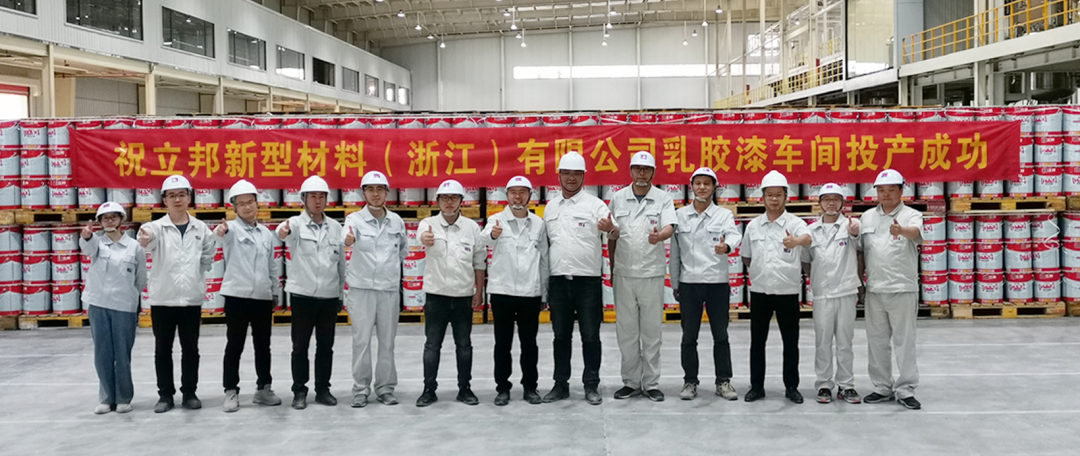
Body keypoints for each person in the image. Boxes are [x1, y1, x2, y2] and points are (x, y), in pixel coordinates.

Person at [542, 151, 620, 406]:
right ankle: (560, 384)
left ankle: (591, 384)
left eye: (576, 174)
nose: (571, 178)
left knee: (590, 336)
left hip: (587, 282)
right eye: (566, 173)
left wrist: (610, 229)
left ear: (584, 176)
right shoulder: (551, 207)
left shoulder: (595, 205)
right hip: (558, 281)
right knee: (560, 336)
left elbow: (615, 230)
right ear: (559, 176)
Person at [138, 175, 216, 413]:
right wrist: (145, 238)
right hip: (163, 299)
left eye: (182, 194)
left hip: (191, 299)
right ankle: (165, 395)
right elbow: (146, 240)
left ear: (189, 198)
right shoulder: (156, 227)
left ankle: (190, 393)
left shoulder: (200, 228)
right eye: (171, 196)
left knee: (191, 350)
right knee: (162, 350)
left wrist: (196, 276)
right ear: (164, 200)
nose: (177, 199)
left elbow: (208, 255)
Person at [608, 152, 676, 402]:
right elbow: (612, 234)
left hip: (651, 273)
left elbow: (669, 226)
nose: (641, 173)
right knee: (626, 332)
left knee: (651, 332)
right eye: (637, 168)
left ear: (653, 172)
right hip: (624, 273)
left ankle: (651, 383)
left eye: (646, 169)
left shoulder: (663, 198)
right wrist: (612, 267)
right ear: (631, 171)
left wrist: (660, 237)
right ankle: (630, 382)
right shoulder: (618, 198)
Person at [669, 168, 741, 401]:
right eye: (697, 183)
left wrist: (727, 247)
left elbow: (734, 235)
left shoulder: (723, 215)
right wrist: (675, 282)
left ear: (714, 187)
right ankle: (690, 381)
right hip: (689, 284)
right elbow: (675, 253)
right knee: (688, 337)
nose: (702, 187)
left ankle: (723, 381)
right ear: (691, 186)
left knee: (721, 335)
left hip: (716, 283)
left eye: (707, 183)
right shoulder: (680, 216)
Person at [741, 170, 811, 404]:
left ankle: (791, 387)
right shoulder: (753, 226)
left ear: (785, 196)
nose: (774, 199)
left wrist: (796, 241)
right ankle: (756, 387)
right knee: (757, 342)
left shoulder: (795, 223)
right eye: (769, 195)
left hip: (787, 292)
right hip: (760, 292)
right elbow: (746, 257)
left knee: (790, 343)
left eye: (778, 195)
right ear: (762, 197)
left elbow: (808, 238)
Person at [277, 175, 347, 410]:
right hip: (302, 296)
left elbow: (341, 265)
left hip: (328, 297)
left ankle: (323, 389)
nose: (317, 201)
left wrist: (340, 295)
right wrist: (283, 231)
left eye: (321, 196)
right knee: (300, 347)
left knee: (325, 347)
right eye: (313, 196)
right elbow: (282, 232)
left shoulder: (335, 227)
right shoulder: (295, 224)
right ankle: (299, 390)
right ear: (304, 199)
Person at [416, 179, 487, 407]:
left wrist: (479, 291)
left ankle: (465, 389)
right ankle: (428, 389)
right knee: (432, 345)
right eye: (444, 198)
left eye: (454, 198)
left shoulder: (472, 228)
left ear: (461, 201)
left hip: (463, 296)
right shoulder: (428, 224)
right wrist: (424, 239)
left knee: (464, 345)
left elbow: (479, 262)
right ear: (437, 201)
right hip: (436, 297)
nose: (449, 202)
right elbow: (420, 237)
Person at [479, 175, 549, 406]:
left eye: (522, 192)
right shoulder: (496, 220)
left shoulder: (538, 224)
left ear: (530, 196)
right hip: (503, 292)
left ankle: (530, 387)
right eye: (513, 192)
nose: (517, 197)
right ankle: (502, 388)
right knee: (502, 344)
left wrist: (544, 293)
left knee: (529, 344)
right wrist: (493, 234)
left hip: (530, 292)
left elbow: (544, 260)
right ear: (507, 195)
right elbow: (484, 240)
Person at [858, 169, 924, 410]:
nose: (886, 194)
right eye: (881, 190)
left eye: (891, 190)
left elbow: (915, 232)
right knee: (876, 342)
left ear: (901, 191)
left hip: (902, 288)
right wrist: (860, 281)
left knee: (904, 341)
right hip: (875, 290)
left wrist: (901, 231)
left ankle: (906, 388)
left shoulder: (911, 215)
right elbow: (861, 251)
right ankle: (882, 387)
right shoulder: (867, 217)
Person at [215, 179, 282, 413]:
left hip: (262, 297)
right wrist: (220, 231)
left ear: (257, 203)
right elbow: (219, 236)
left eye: (250, 202)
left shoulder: (266, 234)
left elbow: (272, 265)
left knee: (263, 346)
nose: (246, 207)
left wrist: (274, 292)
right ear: (234, 207)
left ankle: (264, 388)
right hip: (237, 296)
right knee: (235, 345)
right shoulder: (231, 230)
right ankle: (230, 391)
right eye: (241, 203)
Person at [342, 171, 407, 408]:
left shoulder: (397, 221)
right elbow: (346, 237)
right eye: (370, 189)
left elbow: (402, 251)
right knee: (361, 341)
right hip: (362, 290)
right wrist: (348, 240)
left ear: (387, 193)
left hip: (388, 289)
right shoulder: (354, 219)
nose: (376, 194)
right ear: (363, 193)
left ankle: (385, 388)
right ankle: (360, 389)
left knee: (387, 342)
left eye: (380, 189)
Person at [82, 202, 146, 414]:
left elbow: (140, 278)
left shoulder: (134, 246)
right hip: (98, 304)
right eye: (105, 218)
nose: (109, 221)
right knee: (102, 353)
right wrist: (87, 236)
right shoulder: (96, 243)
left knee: (122, 353)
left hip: (124, 306)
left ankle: (123, 398)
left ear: (121, 220)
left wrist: (131, 297)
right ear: (99, 222)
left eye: (113, 217)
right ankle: (106, 398)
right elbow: (87, 248)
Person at [801, 183, 863, 405]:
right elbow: (806, 261)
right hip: (822, 294)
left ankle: (846, 385)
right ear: (819, 203)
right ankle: (824, 384)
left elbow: (860, 247)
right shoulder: (810, 230)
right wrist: (818, 279)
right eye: (826, 199)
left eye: (836, 199)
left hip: (846, 291)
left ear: (842, 203)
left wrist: (855, 231)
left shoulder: (851, 226)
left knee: (845, 341)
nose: (831, 203)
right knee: (823, 341)